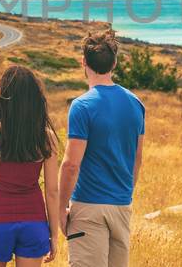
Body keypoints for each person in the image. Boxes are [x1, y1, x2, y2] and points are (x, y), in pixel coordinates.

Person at [58, 30, 145, 267]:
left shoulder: (82, 106)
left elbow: (70, 165)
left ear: (84, 62)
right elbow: (137, 160)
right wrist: (124, 193)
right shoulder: (136, 104)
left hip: (88, 207)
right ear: (114, 62)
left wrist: (60, 208)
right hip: (121, 206)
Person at [0, 65, 63, 266]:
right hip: (34, 222)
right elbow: (52, 191)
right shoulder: (46, 137)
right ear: (34, 98)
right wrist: (54, 235)